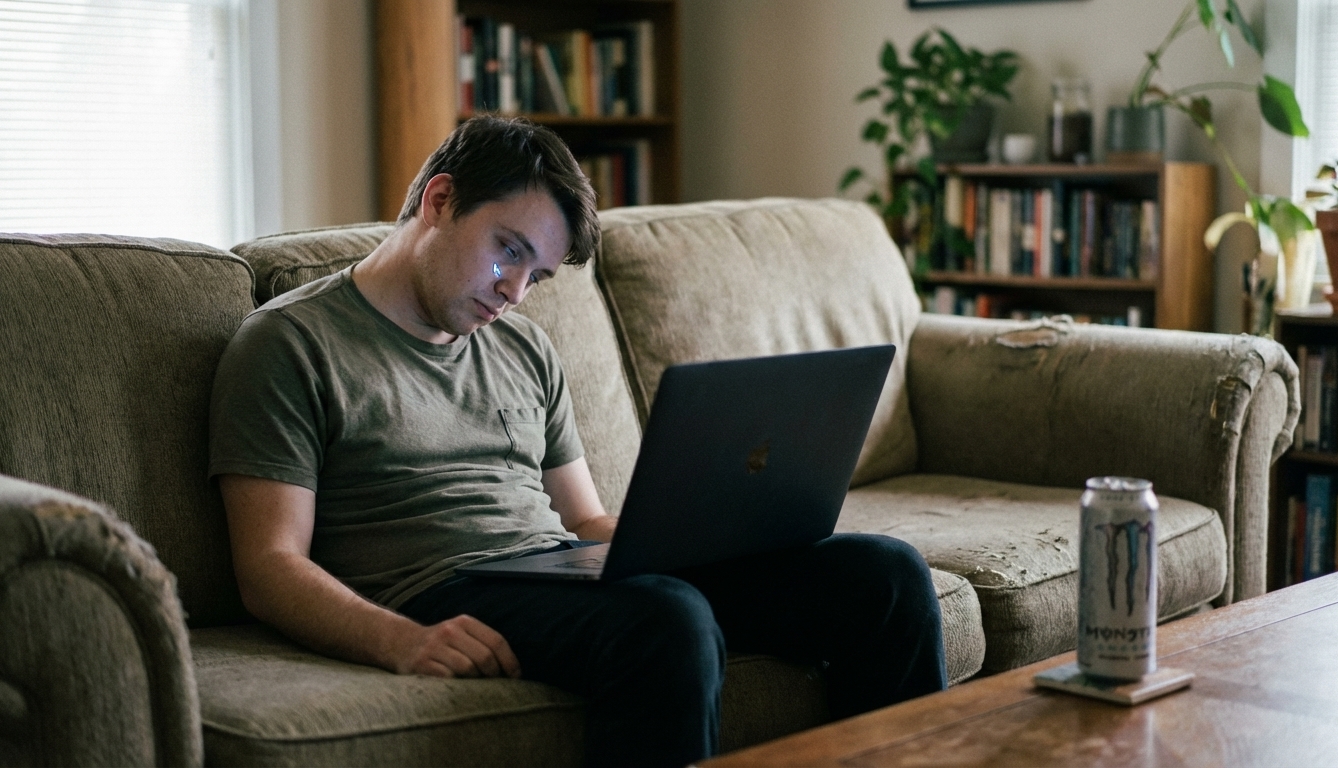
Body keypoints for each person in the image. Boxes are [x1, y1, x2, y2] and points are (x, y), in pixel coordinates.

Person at [208, 115, 946, 768]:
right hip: (437, 587)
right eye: (508, 251)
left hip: (554, 570)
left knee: (883, 576)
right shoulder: (290, 343)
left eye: (536, 275)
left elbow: (585, 519)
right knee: (667, 620)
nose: (513, 292)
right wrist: (400, 640)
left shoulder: (523, 346)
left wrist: (700, 542)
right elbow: (270, 566)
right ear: (439, 201)